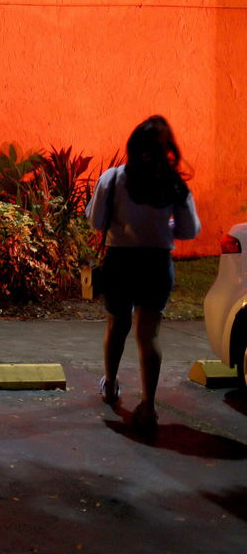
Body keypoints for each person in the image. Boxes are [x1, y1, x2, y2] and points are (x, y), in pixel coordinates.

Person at [86, 115, 200, 436]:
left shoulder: (114, 178)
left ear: (133, 145)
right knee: (148, 335)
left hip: (120, 261)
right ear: (168, 149)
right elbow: (190, 229)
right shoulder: (174, 185)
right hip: (156, 264)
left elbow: (96, 221)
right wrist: (165, 227)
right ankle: (148, 405)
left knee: (116, 325)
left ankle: (110, 385)